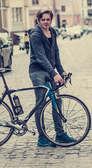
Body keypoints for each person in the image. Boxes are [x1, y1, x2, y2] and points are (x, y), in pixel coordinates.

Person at [29, 9, 75, 147]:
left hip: (51, 70)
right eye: (43, 19)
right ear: (38, 20)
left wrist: (61, 71)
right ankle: (42, 138)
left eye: (48, 19)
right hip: (37, 71)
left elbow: (56, 53)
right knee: (41, 103)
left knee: (57, 101)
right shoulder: (35, 35)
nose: (45, 22)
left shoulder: (53, 32)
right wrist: (54, 74)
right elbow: (40, 57)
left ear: (51, 20)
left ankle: (60, 135)